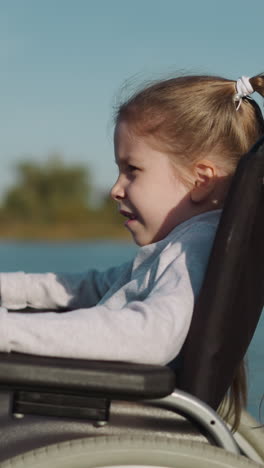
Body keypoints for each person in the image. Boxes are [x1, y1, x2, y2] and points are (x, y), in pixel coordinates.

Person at [0, 73, 264, 421]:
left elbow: (147, 336)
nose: (115, 189)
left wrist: (11, 333)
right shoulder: (185, 245)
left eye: (132, 170)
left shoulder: (194, 250)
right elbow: (94, 286)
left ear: (200, 180)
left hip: (122, 421)